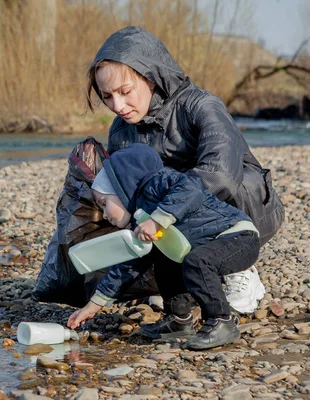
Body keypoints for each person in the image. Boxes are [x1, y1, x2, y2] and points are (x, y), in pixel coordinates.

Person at [84, 26, 284, 314]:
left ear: (151, 77)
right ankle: (176, 276)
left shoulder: (202, 106)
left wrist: (166, 206)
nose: (117, 106)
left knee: (238, 181)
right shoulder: (121, 130)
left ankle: (240, 269)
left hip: (239, 211)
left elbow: (220, 175)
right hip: (174, 216)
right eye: (107, 96)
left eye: (125, 92)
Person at [67, 143, 260, 350]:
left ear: (122, 187)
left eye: (104, 203)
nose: (105, 214)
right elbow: (127, 268)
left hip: (238, 236)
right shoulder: (140, 223)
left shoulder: (156, 183)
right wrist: (94, 304)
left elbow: (190, 189)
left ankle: (221, 321)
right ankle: (179, 319)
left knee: (197, 262)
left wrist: (158, 219)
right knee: (163, 259)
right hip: (213, 243)